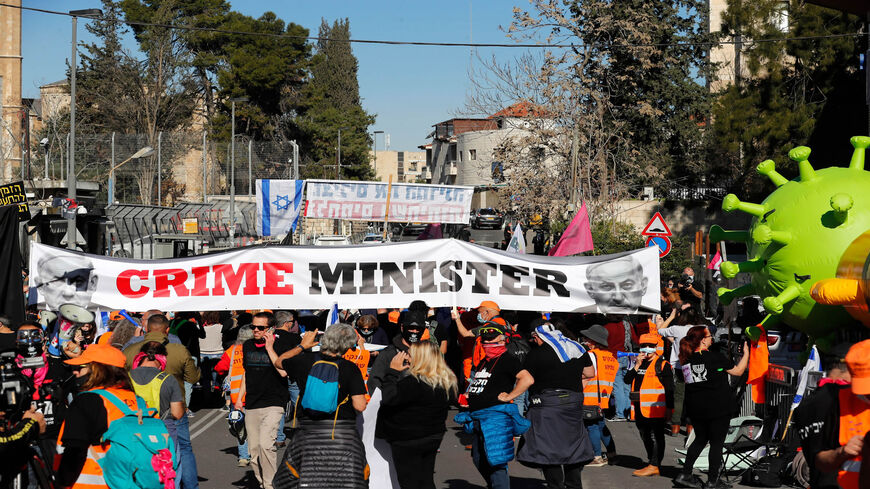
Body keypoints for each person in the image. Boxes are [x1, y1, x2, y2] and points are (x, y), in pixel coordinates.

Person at [271, 324, 369, 488]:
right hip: (342, 437)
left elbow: (279, 362)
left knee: (305, 478)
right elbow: (360, 406)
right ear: (347, 346)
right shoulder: (350, 369)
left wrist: (302, 346)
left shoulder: (303, 361)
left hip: (309, 435)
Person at [122, 313, 200, 489]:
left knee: (141, 451)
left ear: (146, 328)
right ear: (167, 329)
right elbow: (193, 378)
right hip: (172, 409)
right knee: (182, 450)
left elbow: (118, 374)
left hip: (139, 412)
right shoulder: (178, 349)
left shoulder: (130, 349)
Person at [454, 319, 533, 489]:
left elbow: (527, 379)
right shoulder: (484, 361)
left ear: (503, 339)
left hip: (495, 419)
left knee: (496, 462)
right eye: (484, 340)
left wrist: (510, 395)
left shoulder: (508, 359)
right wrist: (470, 394)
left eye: (491, 339)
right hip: (478, 418)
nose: (487, 343)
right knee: (478, 457)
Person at [517, 322, 594, 489]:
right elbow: (589, 373)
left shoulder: (535, 354)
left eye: (534, 338)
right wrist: (575, 387)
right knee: (573, 445)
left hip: (546, 405)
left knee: (548, 448)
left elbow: (526, 380)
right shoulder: (577, 348)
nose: (534, 341)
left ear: (538, 336)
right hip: (573, 403)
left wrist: (510, 395)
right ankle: (574, 485)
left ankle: (555, 485)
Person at [53, 344, 142, 488]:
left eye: (80, 367)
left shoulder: (87, 401)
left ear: (97, 370)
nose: (75, 373)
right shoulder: (137, 401)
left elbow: (74, 452)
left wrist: (60, 483)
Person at [673, 326, 749, 489]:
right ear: (702, 340)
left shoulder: (686, 360)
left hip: (696, 408)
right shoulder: (715, 358)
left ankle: (685, 474)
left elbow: (691, 383)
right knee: (716, 443)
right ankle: (713, 481)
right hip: (717, 408)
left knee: (700, 439)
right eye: (709, 335)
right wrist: (747, 354)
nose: (712, 338)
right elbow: (738, 371)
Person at [377, 341, 457, 489]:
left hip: (407, 438)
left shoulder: (413, 383)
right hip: (433, 435)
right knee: (425, 478)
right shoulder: (447, 381)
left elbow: (389, 398)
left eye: (411, 355)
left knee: (409, 482)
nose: (408, 358)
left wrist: (392, 372)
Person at [795, 339, 870, 489]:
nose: (866, 396)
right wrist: (842, 452)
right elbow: (819, 460)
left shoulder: (806, 405)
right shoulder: (840, 401)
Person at [233, 312, 288, 489]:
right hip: (252, 403)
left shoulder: (280, 345)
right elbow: (245, 373)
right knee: (254, 450)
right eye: (253, 327)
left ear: (270, 329)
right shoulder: (247, 345)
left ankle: (271, 485)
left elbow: (283, 372)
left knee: (266, 446)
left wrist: (270, 348)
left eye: (260, 328)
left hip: (274, 402)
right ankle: (263, 483)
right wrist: (239, 399)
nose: (255, 330)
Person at [624, 333, 674, 477]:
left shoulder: (662, 365)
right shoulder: (639, 362)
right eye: (644, 346)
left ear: (656, 347)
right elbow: (627, 380)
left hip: (656, 408)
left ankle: (654, 464)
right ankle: (651, 461)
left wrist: (670, 410)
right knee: (644, 435)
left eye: (650, 346)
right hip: (640, 407)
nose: (647, 349)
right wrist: (637, 364)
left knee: (658, 436)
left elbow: (670, 389)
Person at [657, 305, 702, 436]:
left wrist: (671, 317)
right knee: (693, 396)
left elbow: (660, 330)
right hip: (696, 366)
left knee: (679, 396)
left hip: (679, 366)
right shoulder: (701, 330)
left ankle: (675, 426)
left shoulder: (677, 329)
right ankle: (690, 426)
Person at [578, 324, 618, 467]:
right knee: (601, 425)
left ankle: (596, 456)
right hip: (604, 397)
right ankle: (612, 455)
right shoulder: (611, 358)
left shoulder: (590, 355)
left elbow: (586, 374)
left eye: (586, 338)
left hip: (590, 395)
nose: (584, 341)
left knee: (591, 426)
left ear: (593, 341)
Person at [214, 325, 253, 466]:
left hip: (237, 397)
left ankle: (243, 457)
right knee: (255, 427)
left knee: (239, 428)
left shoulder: (232, 351)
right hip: (254, 395)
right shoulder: (256, 350)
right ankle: (255, 454)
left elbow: (219, 368)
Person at [129, 341, 185, 440]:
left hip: (132, 429)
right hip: (162, 431)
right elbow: (177, 414)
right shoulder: (168, 379)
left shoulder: (126, 377)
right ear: (163, 358)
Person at [367, 309, 428, 392]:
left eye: (418, 329)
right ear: (402, 327)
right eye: (411, 328)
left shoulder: (427, 353)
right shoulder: (388, 353)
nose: (414, 331)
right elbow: (374, 382)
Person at [584, 255, 649, 313]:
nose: (618, 298)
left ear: (643, 286)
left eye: (627, 285)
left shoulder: (653, 317)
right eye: (606, 286)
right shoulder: (580, 318)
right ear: (590, 290)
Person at [602, 315, 637, 421]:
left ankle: (620, 414)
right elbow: (635, 339)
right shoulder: (627, 325)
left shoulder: (607, 327)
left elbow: (604, 344)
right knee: (627, 386)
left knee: (618, 387)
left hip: (613, 358)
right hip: (627, 357)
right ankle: (627, 412)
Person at [33, 255, 97, 310]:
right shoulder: (30, 315)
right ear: (40, 286)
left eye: (78, 281)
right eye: (57, 281)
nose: (68, 293)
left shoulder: (104, 317)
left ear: (93, 283)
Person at [198, 311, 225, 400]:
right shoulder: (221, 327)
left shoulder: (199, 328)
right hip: (218, 353)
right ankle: (216, 391)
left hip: (203, 354)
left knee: (206, 377)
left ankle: (207, 395)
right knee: (217, 375)